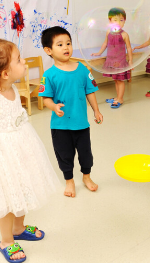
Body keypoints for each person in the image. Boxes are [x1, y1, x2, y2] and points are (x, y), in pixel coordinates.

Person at [0, 39, 60, 263]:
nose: (24, 61)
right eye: (19, 60)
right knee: (8, 198)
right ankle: (7, 240)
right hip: (3, 156)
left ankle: (19, 228)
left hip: (22, 148)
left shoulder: (14, 88)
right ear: (5, 73)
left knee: (24, 188)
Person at [39, 26, 103, 198]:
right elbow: (45, 98)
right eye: (59, 44)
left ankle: (86, 177)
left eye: (68, 43)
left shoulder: (82, 69)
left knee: (86, 154)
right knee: (64, 155)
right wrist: (54, 107)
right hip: (60, 126)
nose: (66, 47)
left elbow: (90, 91)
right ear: (48, 50)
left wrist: (96, 110)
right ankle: (69, 181)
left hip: (81, 123)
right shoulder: (49, 74)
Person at [91, 7, 132, 109]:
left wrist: (130, 61)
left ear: (124, 21)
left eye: (121, 20)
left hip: (120, 61)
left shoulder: (124, 34)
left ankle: (120, 99)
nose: (118, 22)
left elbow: (129, 48)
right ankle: (117, 97)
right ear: (110, 21)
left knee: (120, 80)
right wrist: (99, 53)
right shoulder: (108, 32)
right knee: (115, 79)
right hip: (111, 61)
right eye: (115, 20)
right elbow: (105, 43)